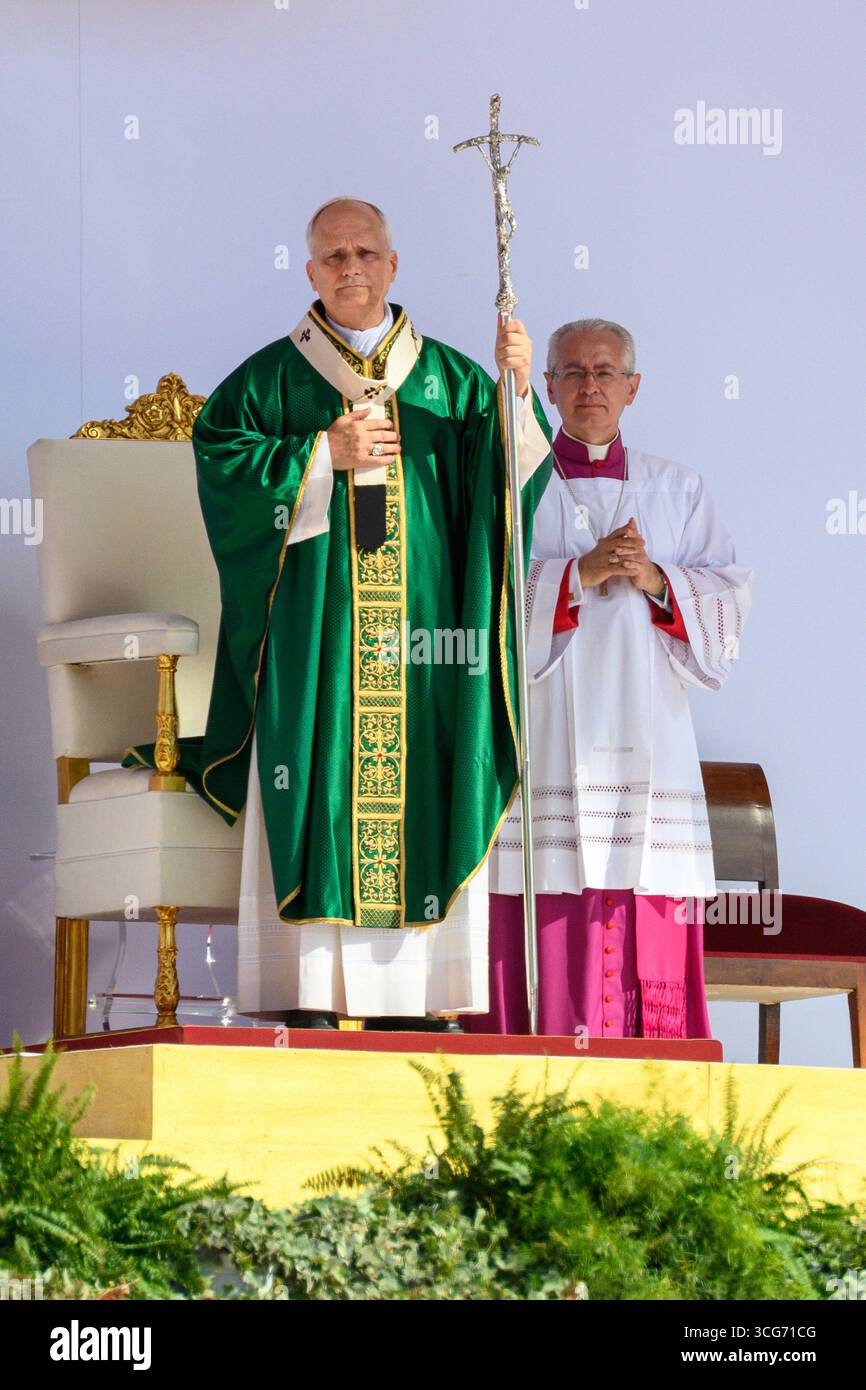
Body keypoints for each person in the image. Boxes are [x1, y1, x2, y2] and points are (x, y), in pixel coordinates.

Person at [123, 197, 551, 1029]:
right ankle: (309, 993)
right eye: (332, 257)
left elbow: (509, 487)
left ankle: (420, 1003)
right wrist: (323, 454)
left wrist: (518, 394)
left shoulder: (457, 381)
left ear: (393, 265)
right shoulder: (266, 383)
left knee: (425, 779)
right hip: (314, 641)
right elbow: (226, 471)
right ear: (310, 271)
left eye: (365, 253)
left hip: (427, 647)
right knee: (309, 778)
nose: (349, 268)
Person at [467, 317, 753, 1038]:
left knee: (645, 894)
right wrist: (575, 575)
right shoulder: (515, 483)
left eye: (604, 373)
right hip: (549, 732)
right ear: (551, 387)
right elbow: (475, 597)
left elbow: (727, 600)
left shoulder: (677, 488)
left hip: (648, 727)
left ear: (633, 387)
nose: (588, 386)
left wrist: (658, 579)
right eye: (572, 373)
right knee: (549, 893)